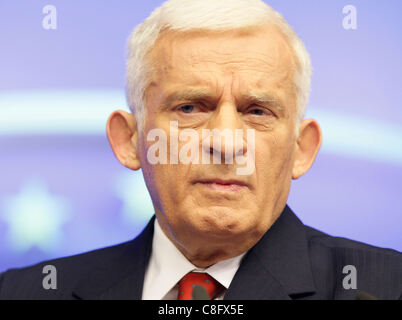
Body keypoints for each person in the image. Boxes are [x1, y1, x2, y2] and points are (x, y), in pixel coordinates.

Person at [0, 0, 401, 300]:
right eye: (190, 108)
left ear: (301, 149)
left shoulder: (385, 287)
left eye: (257, 111)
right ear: (129, 140)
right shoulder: (25, 293)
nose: (226, 142)